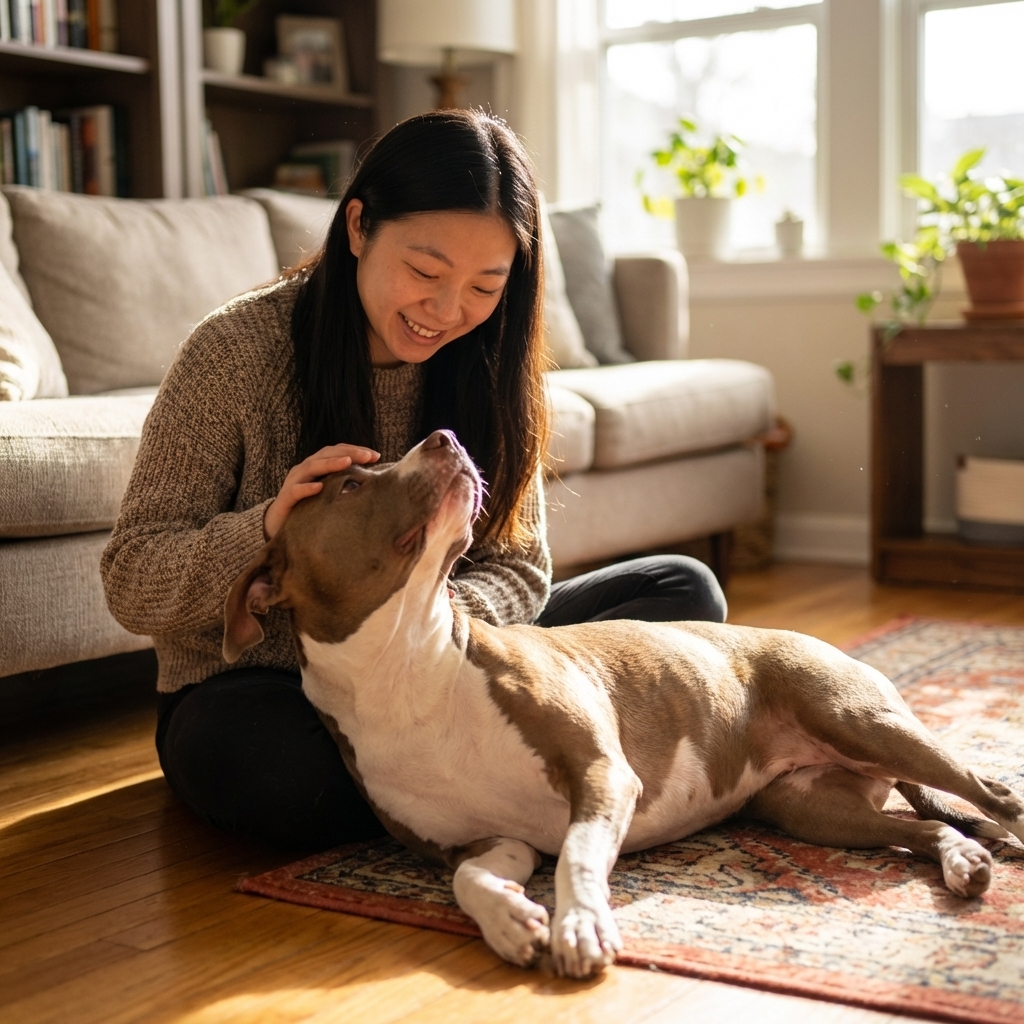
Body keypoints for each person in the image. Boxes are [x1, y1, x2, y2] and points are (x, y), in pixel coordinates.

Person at [101, 110, 726, 853]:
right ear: (359, 226)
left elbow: (520, 567)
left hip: (458, 676)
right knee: (259, 767)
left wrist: (431, 623)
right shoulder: (234, 354)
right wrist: (269, 527)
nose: (446, 310)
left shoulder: (488, 365)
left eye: (484, 286)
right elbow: (132, 576)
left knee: (682, 591)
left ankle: (476, 793)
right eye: (426, 272)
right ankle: (541, 783)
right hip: (281, 690)